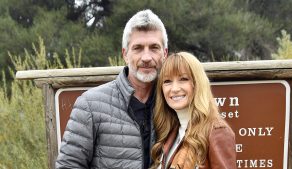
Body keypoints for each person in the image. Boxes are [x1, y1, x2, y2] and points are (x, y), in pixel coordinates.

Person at [56, 9, 168, 169]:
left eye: (154, 47)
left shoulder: (173, 104)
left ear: (165, 53)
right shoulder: (90, 104)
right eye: (138, 48)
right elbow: (68, 165)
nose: (146, 57)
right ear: (125, 54)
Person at [151, 52, 236, 169]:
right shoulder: (171, 131)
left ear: (197, 84)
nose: (174, 88)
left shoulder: (217, 131)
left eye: (183, 79)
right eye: (167, 81)